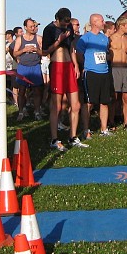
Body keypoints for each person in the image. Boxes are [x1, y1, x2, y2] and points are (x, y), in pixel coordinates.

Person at [42, 8, 82, 151]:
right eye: (64, 23)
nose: (66, 25)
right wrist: (59, 41)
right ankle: (54, 138)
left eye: (68, 23)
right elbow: (45, 51)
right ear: (58, 19)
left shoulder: (69, 26)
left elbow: (71, 46)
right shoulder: (49, 29)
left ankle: (73, 136)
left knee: (75, 104)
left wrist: (76, 65)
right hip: (57, 66)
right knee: (57, 105)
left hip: (69, 66)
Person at [75, 13, 113, 137]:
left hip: (104, 72)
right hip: (91, 73)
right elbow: (79, 55)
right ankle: (86, 130)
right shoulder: (85, 38)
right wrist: (88, 64)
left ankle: (104, 129)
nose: (104, 23)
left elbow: (106, 53)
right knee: (89, 103)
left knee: (104, 102)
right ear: (94, 22)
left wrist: (108, 56)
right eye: (102, 21)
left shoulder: (104, 38)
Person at [11, 18, 44, 121]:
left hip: (35, 66)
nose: (33, 28)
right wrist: (24, 50)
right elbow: (15, 53)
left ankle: (37, 111)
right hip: (23, 67)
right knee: (22, 90)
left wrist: (36, 50)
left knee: (37, 91)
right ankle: (21, 111)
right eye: (30, 26)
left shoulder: (38, 38)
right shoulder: (20, 39)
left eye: (34, 26)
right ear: (25, 27)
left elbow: (44, 52)